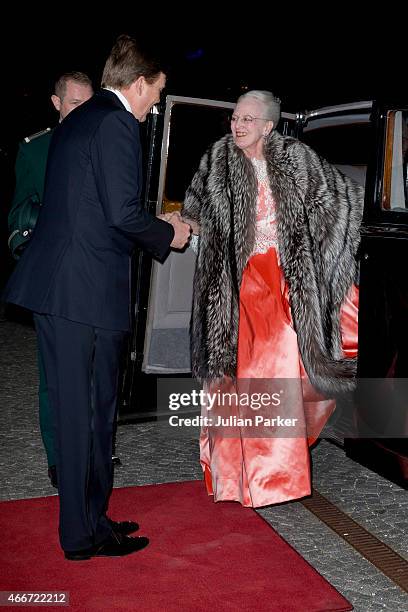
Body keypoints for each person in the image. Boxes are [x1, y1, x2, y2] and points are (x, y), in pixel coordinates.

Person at [3, 34, 191, 559]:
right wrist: (168, 232)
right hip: (81, 294)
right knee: (87, 412)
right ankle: (82, 535)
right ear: (137, 84)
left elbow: (87, 204)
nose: (156, 104)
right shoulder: (115, 122)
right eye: (156, 92)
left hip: (66, 289)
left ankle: (91, 519)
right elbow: (122, 214)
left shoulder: (81, 119)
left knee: (84, 410)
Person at [182, 90, 362, 508]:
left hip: (284, 279)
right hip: (234, 282)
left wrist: (334, 255)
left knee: (285, 366)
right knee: (235, 375)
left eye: (247, 119)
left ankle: (271, 474)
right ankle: (238, 476)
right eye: (234, 118)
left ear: (268, 125)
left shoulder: (298, 159)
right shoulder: (217, 160)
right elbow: (195, 209)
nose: (238, 125)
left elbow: (342, 203)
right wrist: (185, 225)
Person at [7, 71, 94, 487]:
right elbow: (19, 217)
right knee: (54, 372)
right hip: (56, 278)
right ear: (57, 104)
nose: (82, 110)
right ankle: (60, 457)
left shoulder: (102, 145)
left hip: (95, 276)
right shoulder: (36, 149)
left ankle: (91, 448)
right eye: (74, 102)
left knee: (95, 370)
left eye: (88, 102)